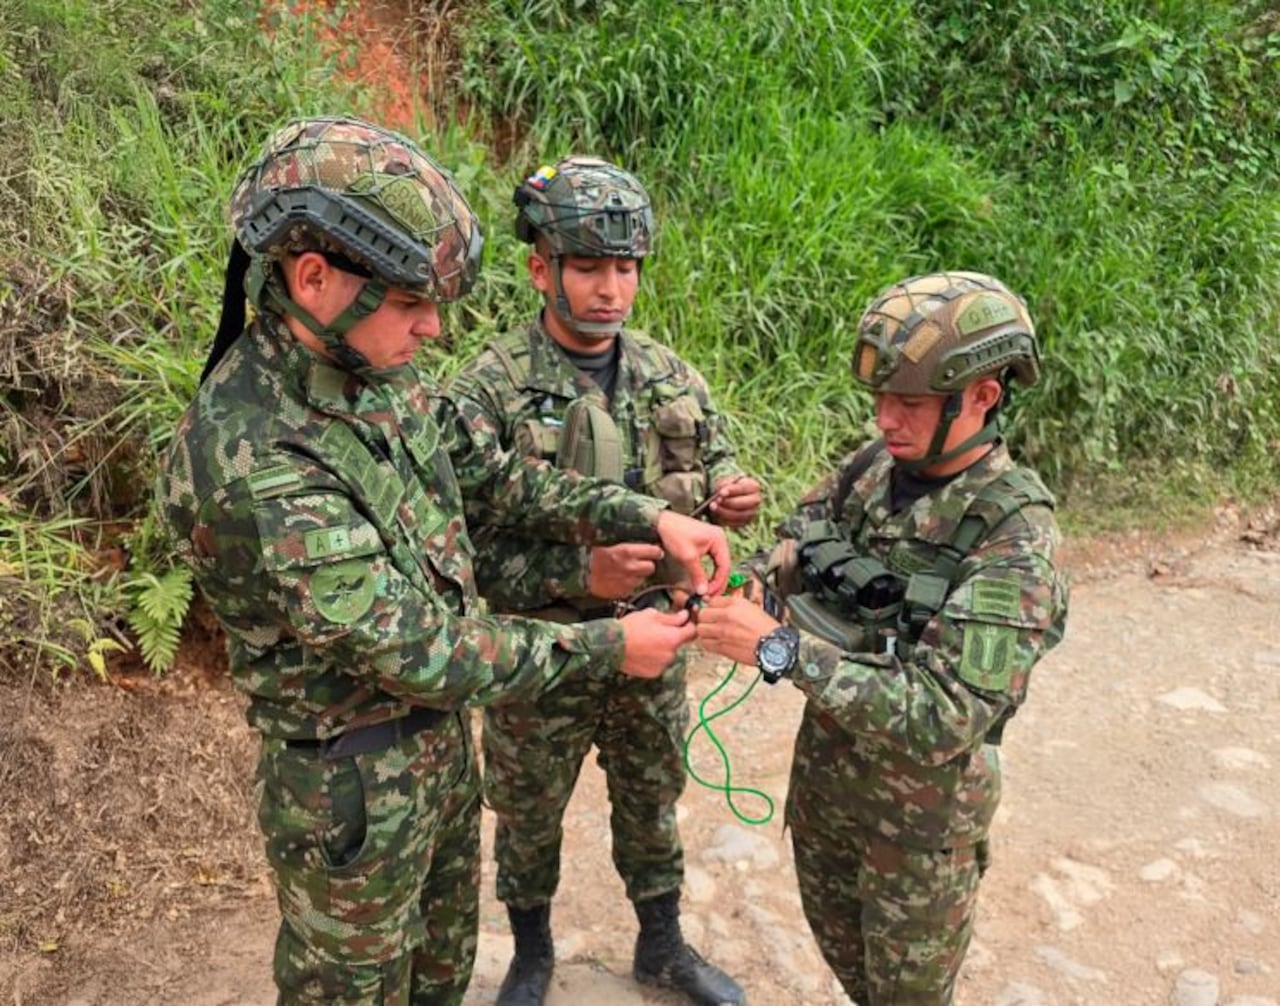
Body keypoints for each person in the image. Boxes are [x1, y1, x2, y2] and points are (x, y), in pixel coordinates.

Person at [157, 117, 732, 1006]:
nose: (432, 330)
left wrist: (648, 515)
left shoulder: (370, 369)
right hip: (350, 797)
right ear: (314, 278)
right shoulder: (254, 459)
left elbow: (488, 475)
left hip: (438, 759)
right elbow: (419, 648)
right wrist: (608, 648)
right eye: (411, 303)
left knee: (441, 980)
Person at [696, 271, 1069, 1005]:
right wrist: (747, 585)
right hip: (828, 794)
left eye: (909, 402)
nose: (886, 419)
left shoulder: (1014, 538)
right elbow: (801, 551)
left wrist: (779, 650)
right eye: (880, 400)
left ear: (983, 397)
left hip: (917, 838)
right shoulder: (872, 471)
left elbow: (948, 712)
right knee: (850, 970)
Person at [448, 156, 760, 1006]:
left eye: (625, 268)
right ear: (540, 268)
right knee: (527, 809)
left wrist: (733, 499)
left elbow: (712, 470)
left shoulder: (669, 375)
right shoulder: (489, 388)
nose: (610, 288)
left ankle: (662, 946)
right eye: (588, 267)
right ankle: (532, 955)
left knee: (652, 797)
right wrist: (574, 568)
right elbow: (464, 552)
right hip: (543, 651)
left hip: (654, 644)